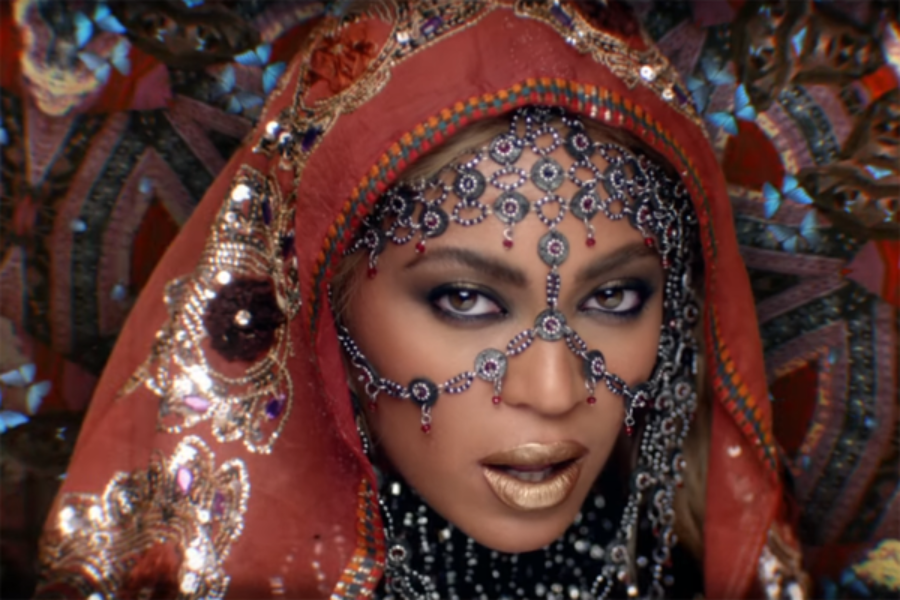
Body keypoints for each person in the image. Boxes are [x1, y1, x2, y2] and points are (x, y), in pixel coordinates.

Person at [32, 1, 809, 598]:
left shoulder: (707, 570)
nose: (553, 390)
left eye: (613, 295)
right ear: (317, 303)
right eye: (466, 300)